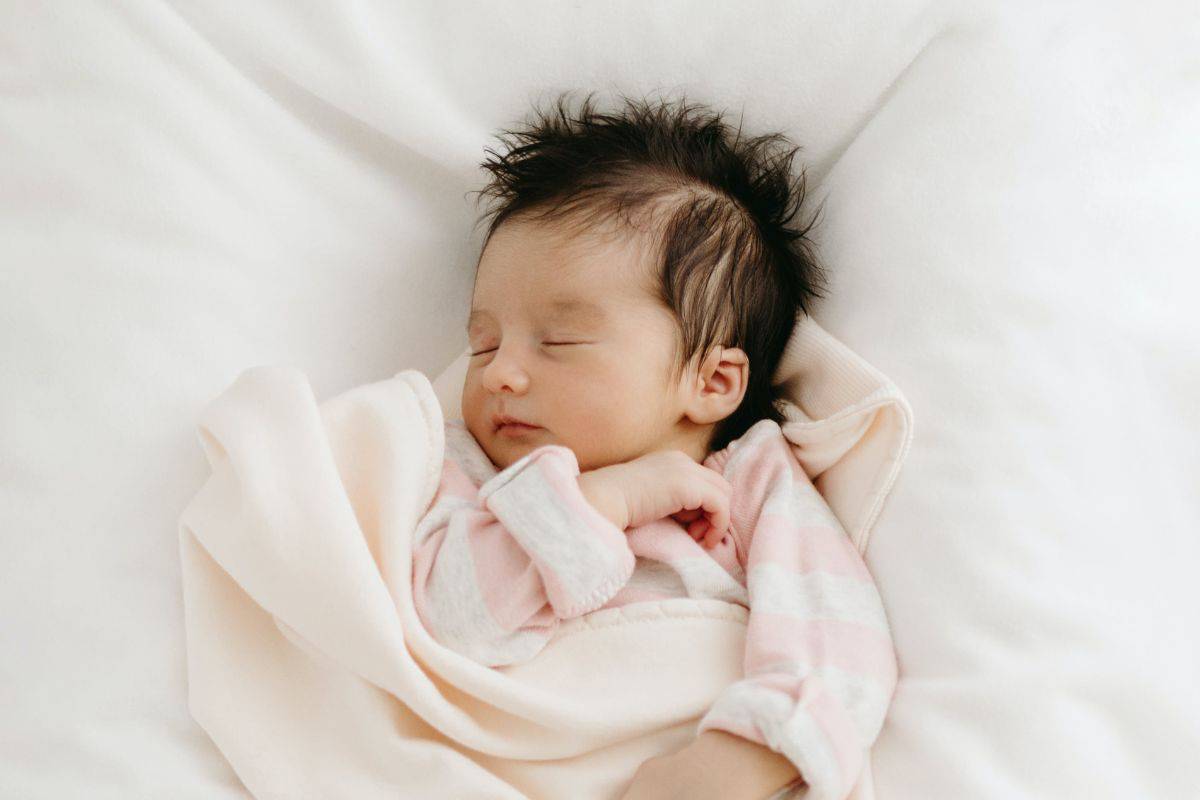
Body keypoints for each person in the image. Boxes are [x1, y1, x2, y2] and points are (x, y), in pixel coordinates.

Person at [411, 90, 897, 800]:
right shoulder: (464, 469)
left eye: (559, 341)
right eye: (482, 344)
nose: (502, 373)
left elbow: (840, 642)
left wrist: (742, 760)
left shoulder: (754, 479)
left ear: (713, 381)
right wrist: (603, 500)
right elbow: (447, 625)